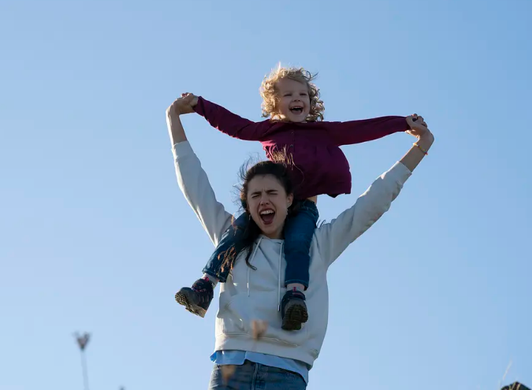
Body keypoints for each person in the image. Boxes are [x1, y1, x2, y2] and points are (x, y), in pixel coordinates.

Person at [166, 94, 434, 389]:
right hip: (232, 367)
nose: (264, 200)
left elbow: (374, 202)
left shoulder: (317, 245)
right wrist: (174, 119)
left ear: (290, 199)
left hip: (287, 373)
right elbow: (194, 184)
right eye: (255, 195)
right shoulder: (230, 239)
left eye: (272, 193)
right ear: (247, 204)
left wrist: (420, 148)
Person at [175, 65, 425, 331]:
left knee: (298, 242)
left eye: (303, 95)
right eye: (288, 95)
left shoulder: (323, 132)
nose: (297, 99)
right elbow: (234, 125)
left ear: (310, 101)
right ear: (274, 104)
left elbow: (361, 129)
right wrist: (199, 104)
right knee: (235, 234)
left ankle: (294, 297)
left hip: (304, 206)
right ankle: (205, 286)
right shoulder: (267, 130)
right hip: (272, 204)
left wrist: (401, 123)